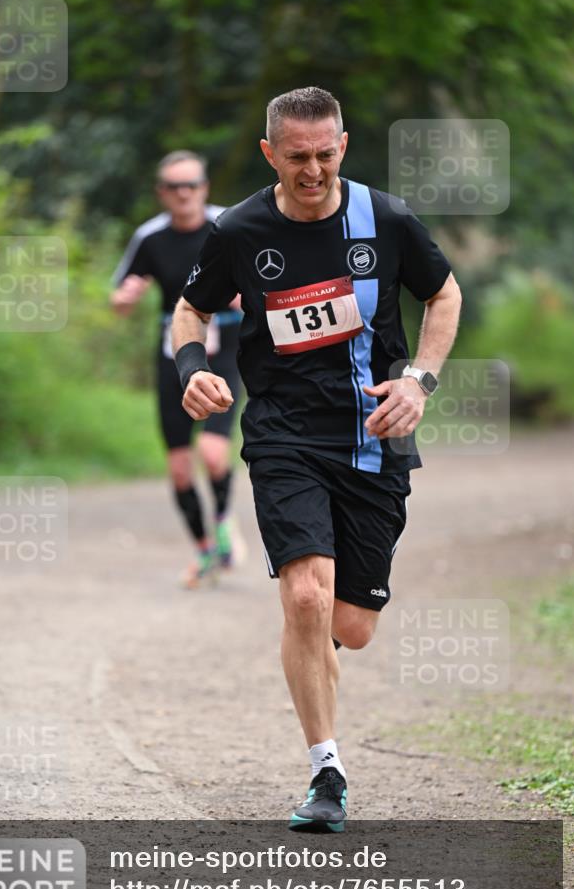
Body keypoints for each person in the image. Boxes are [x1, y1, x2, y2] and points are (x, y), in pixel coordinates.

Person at [171, 87, 462, 831]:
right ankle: (325, 773)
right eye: (296, 157)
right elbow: (191, 310)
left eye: (325, 153)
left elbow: (444, 294)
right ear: (271, 154)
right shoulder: (240, 229)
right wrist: (192, 369)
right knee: (304, 598)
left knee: (349, 626)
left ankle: (314, 645)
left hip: (374, 434)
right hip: (283, 432)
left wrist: (418, 381)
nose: (313, 169)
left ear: (342, 144)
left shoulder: (386, 219)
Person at [111, 151, 243, 588]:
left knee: (212, 453)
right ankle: (204, 551)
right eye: (174, 187)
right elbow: (119, 297)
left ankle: (223, 522)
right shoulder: (150, 237)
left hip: (224, 347)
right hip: (172, 352)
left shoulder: (229, 225)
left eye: (191, 185)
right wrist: (126, 297)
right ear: (161, 193)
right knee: (181, 469)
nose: (183, 194)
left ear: (204, 188)